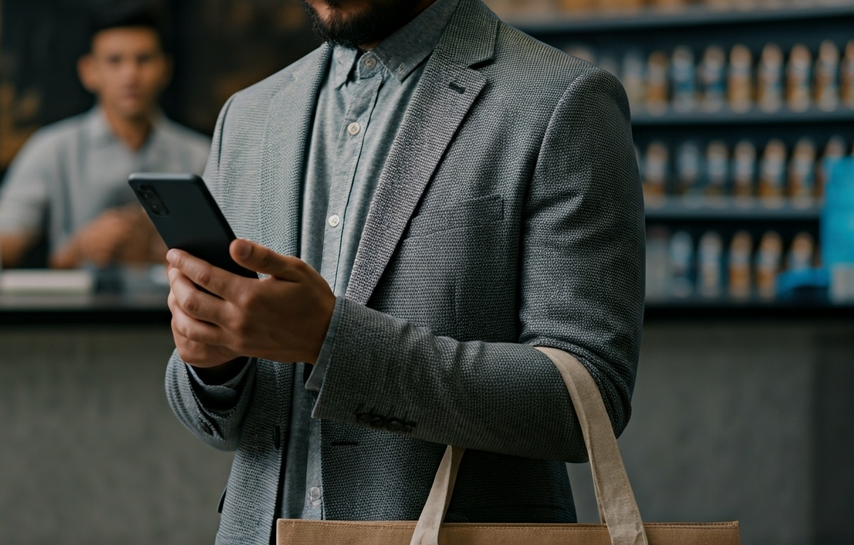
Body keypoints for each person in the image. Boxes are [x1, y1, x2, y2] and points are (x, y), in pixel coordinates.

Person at [164, 0, 644, 543]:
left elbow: (589, 401)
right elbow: (217, 421)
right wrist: (213, 365)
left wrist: (332, 342)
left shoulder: (564, 100)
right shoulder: (247, 115)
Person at [0, 9, 210, 268]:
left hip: (175, 306)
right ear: (89, 71)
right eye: (114, 60)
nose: (130, 74)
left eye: (144, 59)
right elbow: (3, 236)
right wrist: (77, 249)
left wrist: (160, 249)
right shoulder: (51, 148)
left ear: (166, 68)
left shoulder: (200, 155)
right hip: (76, 305)